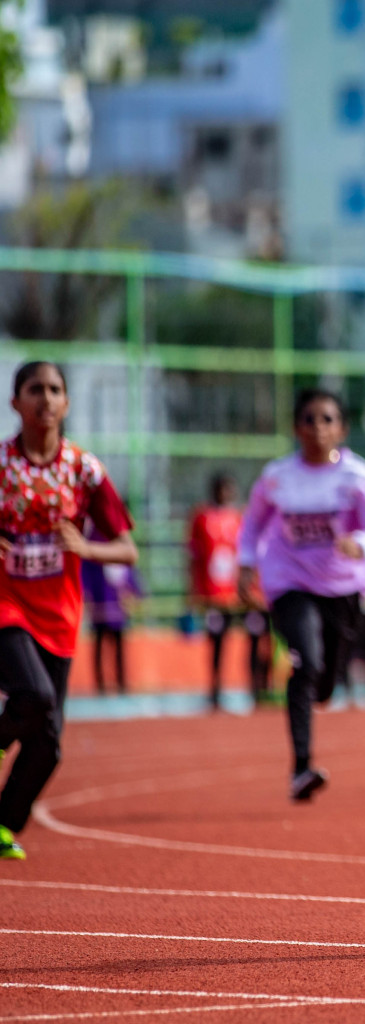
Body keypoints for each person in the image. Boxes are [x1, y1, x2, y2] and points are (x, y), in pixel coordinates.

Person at [0, 361, 137, 860]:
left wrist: (86, 546)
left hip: (59, 615)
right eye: (35, 389)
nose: (47, 398)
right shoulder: (1, 465)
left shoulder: (84, 470)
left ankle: (3, 823)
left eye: (55, 389)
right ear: (15, 402)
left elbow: (127, 548)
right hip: (6, 605)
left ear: (67, 403)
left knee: (48, 746)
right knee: (32, 696)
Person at [237, 388, 365, 802]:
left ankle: (319, 686)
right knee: (306, 663)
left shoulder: (357, 477)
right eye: (309, 419)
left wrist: (360, 543)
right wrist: (246, 565)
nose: (317, 428)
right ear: (296, 427)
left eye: (327, 420)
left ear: (342, 429)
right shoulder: (277, 477)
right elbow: (252, 525)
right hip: (290, 583)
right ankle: (301, 768)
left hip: (344, 587)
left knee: (325, 682)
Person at [190, 473, 272, 710]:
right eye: (221, 489)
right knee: (216, 642)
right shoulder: (202, 517)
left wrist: (255, 588)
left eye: (229, 489)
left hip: (243, 594)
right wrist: (194, 590)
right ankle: (215, 691)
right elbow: (194, 556)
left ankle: (257, 689)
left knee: (257, 639)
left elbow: (252, 555)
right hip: (215, 594)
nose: (225, 494)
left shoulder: (242, 518)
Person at [81, 528, 141, 694]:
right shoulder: (94, 540)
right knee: (100, 644)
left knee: (119, 647)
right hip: (101, 605)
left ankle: (122, 683)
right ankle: (100, 684)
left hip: (119, 607)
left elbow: (130, 570)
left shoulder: (122, 540)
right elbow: (86, 571)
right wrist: (87, 595)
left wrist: (134, 592)